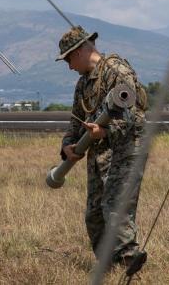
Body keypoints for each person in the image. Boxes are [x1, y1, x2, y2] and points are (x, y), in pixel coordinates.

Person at [57, 26, 147, 269]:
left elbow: (136, 117)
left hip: (125, 150)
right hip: (99, 154)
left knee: (115, 207)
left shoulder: (117, 72)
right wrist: (67, 146)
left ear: (79, 52)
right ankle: (109, 264)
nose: (68, 66)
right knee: (94, 215)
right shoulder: (83, 83)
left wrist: (105, 131)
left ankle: (130, 257)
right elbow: (76, 120)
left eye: (68, 59)